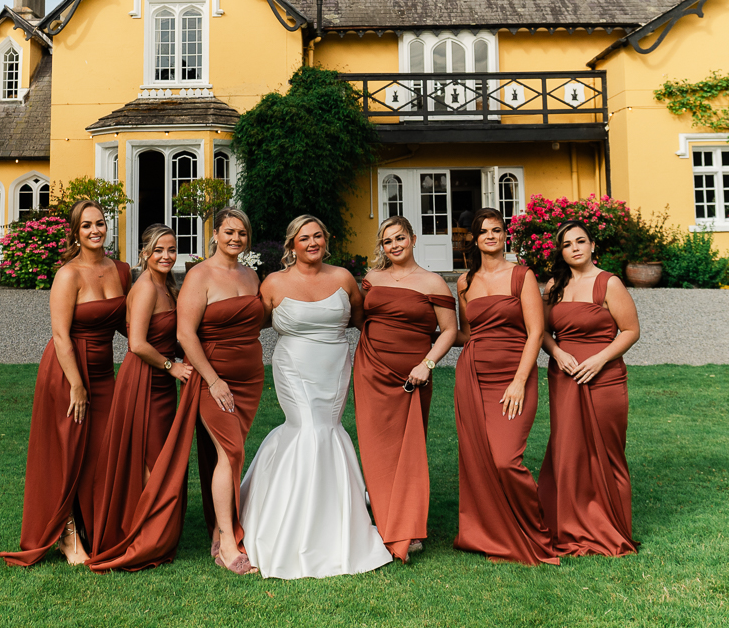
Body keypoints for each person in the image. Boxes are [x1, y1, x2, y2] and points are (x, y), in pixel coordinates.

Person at [238, 216, 393, 579]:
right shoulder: (273, 283)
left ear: (327, 240)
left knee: (327, 428)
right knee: (306, 427)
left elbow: (361, 320)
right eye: (304, 238)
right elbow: (253, 323)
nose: (312, 243)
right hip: (293, 365)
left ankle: (336, 519)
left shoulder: (342, 278)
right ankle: (288, 522)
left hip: (335, 363)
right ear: (291, 245)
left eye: (317, 236)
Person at [1, 199, 130, 567]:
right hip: (66, 371)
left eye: (101, 223)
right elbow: (60, 334)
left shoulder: (120, 271)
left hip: (104, 372)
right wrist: (76, 384)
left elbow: (127, 326)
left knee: (102, 452)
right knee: (68, 452)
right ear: (75, 232)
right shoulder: (68, 275)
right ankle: (67, 535)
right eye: (87, 225)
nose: (96, 230)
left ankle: (103, 529)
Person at [453, 208, 559, 565]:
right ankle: (494, 533)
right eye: (483, 232)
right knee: (479, 460)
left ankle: (535, 532)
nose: (491, 236)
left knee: (505, 459)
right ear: (475, 239)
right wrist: (420, 332)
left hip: (514, 376)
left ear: (504, 236)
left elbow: (535, 332)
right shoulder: (465, 283)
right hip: (473, 376)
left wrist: (519, 381)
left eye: (496, 230)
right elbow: (467, 333)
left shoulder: (522, 276)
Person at [353, 214, 459, 561]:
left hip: (413, 377)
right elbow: (360, 319)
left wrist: (426, 365)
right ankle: (385, 519)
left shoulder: (433, 282)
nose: (394, 245)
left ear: (413, 238)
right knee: (376, 449)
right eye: (387, 241)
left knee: (407, 450)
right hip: (371, 371)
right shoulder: (372, 279)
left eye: (399, 238)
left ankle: (408, 527)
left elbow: (449, 331)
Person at [86, 224, 192, 553]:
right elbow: (136, 344)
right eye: (158, 250)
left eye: (171, 249)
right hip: (146, 379)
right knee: (152, 457)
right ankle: (144, 535)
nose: (166, 255)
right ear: (144, 253)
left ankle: (155, 530)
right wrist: (171, 366)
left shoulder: (168, 286)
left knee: (160, 455)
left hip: (160, 381)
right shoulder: (146, 287)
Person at [538, 221, 641, 557]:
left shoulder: (609, 283)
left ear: (593, 245)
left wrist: (599, 360)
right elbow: (540, 332)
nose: (575, 248)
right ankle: (568, 526)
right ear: (561, 252)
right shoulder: (554, 285)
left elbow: (630, 330)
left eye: (580, 241)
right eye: (567, 244)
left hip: (604, 378)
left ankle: (610, 527)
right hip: (564, 376)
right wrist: (557, 352)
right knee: (568, 450)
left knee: (606, 452)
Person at [175, 208, 267, 574]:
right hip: (214, 379)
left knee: (232, 456)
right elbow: (185, 334)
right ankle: (227, 543)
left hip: (250, 379)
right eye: (229, 232)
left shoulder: (251, 274)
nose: (236, 239)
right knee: (230, 453)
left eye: (242, 233)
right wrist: (213, 380)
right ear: (215, 234)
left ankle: (219, 530)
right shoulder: (200, 275)